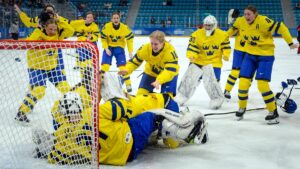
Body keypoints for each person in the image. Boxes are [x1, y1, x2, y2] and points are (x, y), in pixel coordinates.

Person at [32, 72, 208, 166]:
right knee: (155, 115)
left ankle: (158, 135)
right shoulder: (98, 112)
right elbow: (131, 108)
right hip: (130, 142)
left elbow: (55, 156)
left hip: (111, 156)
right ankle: (187, 131)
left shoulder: (62, 135)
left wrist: (46, 146)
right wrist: (163, 99)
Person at [234, 5, 298, 124]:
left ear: (255, 14)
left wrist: (290, 43)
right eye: (245, 14)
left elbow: (282, 28)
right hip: (249, 55)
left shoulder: (263, 21)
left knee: (262, 85)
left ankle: (273, 112)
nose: (246, 16)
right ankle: (241, 108)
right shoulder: (241, 21)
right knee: (243, 83)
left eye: (249, 14)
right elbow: (234, 33)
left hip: (265, 56)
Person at [15, 13, 75, 124]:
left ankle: (73, 110)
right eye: (50, 29)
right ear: (45, 27)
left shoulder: (58, 34)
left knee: (66, 88)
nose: (52, 31)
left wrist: (59, 20)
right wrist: (38, 29)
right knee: (39, 91)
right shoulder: (38, 33)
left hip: (52, 67)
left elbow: (70, 30)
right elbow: (27, 43)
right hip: (37, 67)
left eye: (54, 29)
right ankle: (21, 112)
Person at [174, 15, 231, 109]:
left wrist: (226, 54)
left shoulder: (222, 35)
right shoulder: (197, 34)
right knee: (189, 80)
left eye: (210, 25)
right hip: (198, 61)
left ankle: (216, 99)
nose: (208, 27)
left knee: (213, 82)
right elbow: (192, 46)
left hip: (214, 62)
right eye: (206, 25)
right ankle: (182, 96)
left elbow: (226, 46)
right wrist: (191, 55)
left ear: (215, 25)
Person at [119, 30, 179, 97]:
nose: (153, 46)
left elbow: (169, 71)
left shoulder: (170, 52)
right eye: (152, 43)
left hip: (169, 76)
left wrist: (159, 81)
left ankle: (161, 97)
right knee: (141, 95)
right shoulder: (145, 48)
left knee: (167, 99)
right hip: (151, 73)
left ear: (162, 43)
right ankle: (153, 98)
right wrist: (127, 69)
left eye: (156, 44)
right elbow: (134, 62)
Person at [100, 11, 134, 92]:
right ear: (111, 19)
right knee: (105, 66)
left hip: (119, 47)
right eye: (114, 18)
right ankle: (101, 83)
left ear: (120, 19)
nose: (116, 20)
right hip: (109, 47)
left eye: (117, 18)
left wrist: (130, 51)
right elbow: (103, 38)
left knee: (122, 67)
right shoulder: (107, 27)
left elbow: (130, 39)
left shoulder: (124, 28)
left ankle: (128, 84)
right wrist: (106, 48)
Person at [69, 11, 100, 91]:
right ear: (85, 18)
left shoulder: (95, 26)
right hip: (82, 44)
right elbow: (79, 36)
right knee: (82, 60)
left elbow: (96, 36)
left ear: (93, 19)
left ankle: (89, 78)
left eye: (91, 18)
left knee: (90, 63)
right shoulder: (80, 25)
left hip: (91, 45)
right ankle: (83, 78)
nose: (89, 19)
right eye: (88, 17)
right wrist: (86, 39)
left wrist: (91, 38)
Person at [224, 9, 248, 100]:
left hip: (251, 52)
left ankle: (243, 91)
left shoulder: (255, 23)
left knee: (248, 74)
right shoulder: (239, 22)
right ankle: (227, 90)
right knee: (235, 72)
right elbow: (230, 32)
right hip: (239, 51)